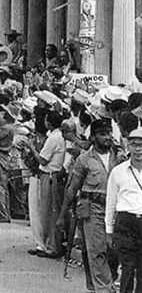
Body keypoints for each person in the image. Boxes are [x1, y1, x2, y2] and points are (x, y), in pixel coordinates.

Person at [57, 118, 120, 293]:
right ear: (93, 137)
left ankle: (104, 283)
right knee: (97, 250)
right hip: (92, 209)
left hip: (115, 210)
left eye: (109, 133)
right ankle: (104, 288)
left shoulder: (120, 157)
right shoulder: (84, 160)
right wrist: (62, 215)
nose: (107, 137)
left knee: (113, 252)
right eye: (102, 134)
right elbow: (72, 189)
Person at [24, 110, 67, 258]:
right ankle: (48, 244)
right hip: (50, 175)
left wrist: (32, 148)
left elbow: (42, 160)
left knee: (49, 212)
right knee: (47, 211)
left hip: (49, 175)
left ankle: (51, 246)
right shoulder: (56, 136)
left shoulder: (53, 138)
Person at [106, 127, 142, 293]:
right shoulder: (118, 172)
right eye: (134, 144)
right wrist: (109, 230)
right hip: (125, 223)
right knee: (127, 267)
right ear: (128, 146)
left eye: (141, 145)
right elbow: (111, 202)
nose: (138, 149)